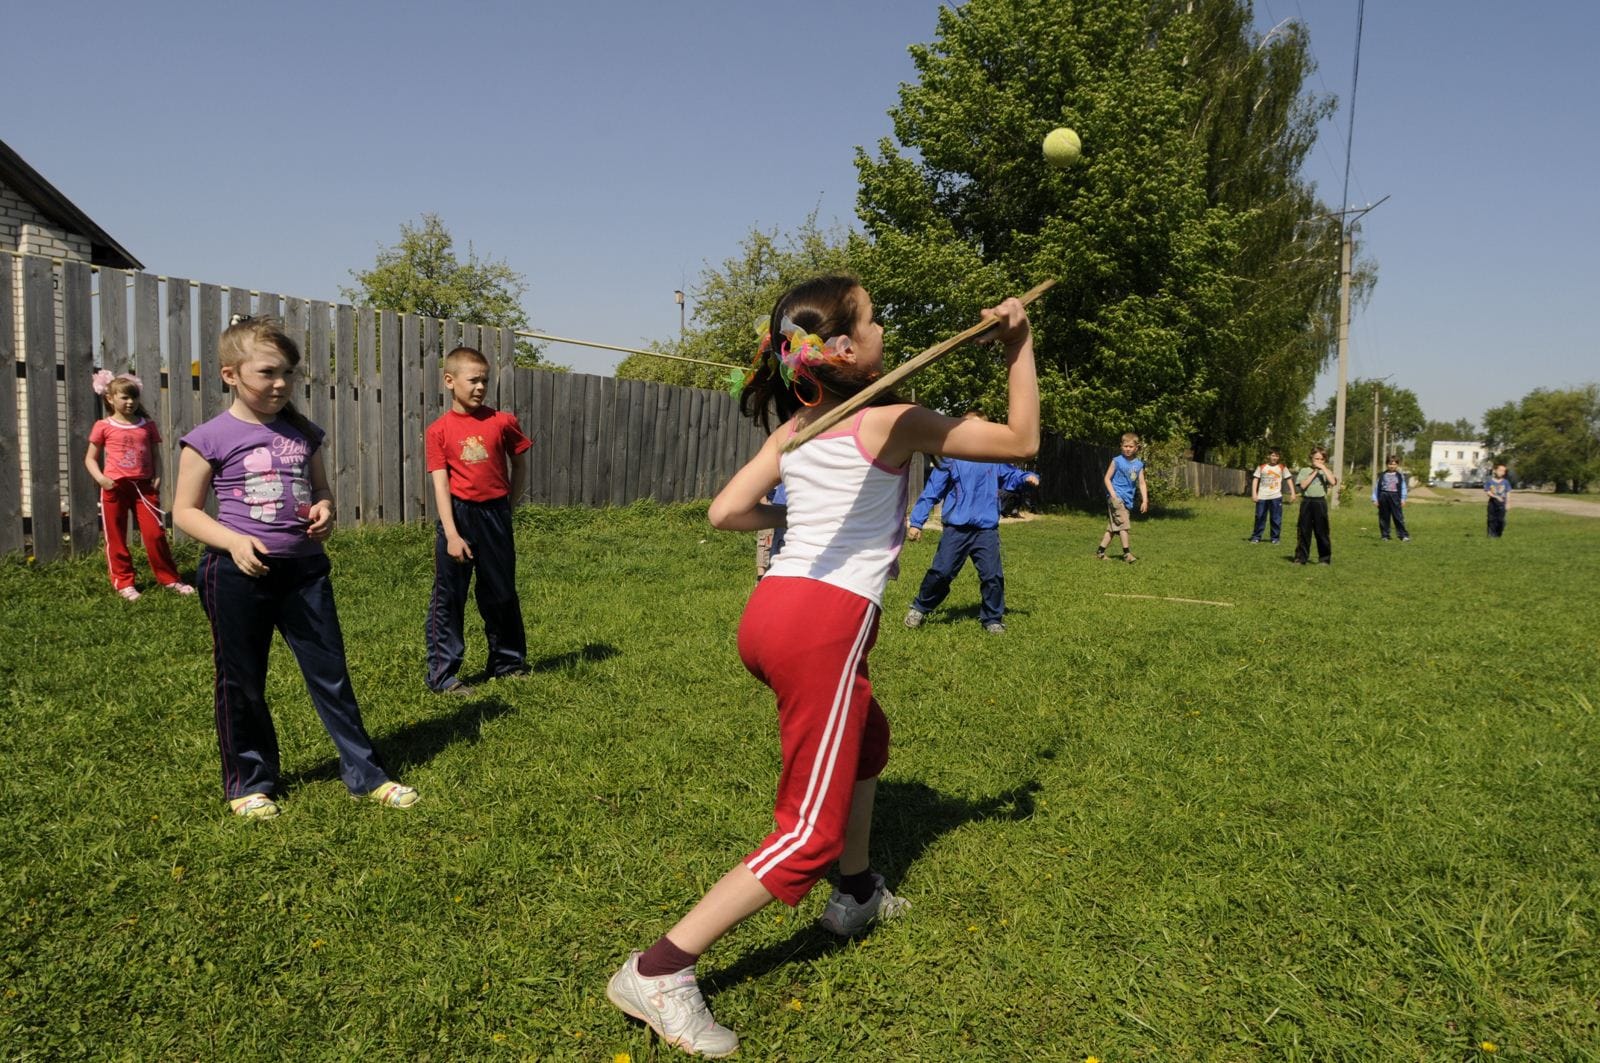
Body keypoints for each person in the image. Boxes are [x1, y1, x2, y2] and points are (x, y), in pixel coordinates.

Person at [606, 275, 1038, 1057]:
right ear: (843, 348)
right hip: (823, 627)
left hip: (769, 614)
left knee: (867, 737)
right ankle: (659, 967)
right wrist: (1018, 343)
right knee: (808, 829)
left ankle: (857, 889)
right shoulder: (893, 418)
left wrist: (795, 514)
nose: (884, 324)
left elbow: (725, 511)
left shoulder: (802, 425)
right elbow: (1020, 443)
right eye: (873, 316)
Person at [173, 315, 416, 820]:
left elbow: (322, 488)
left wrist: (325, 509)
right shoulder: (209, 437)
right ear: (230, 375)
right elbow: (185, 513)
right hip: (237, 575)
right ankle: (249, 782)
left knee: (331, 675)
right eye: (267, 372)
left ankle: (367, 773)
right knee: (242, 681)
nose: (280, 383)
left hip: (305, 573)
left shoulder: (303, 432)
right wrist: (235, 542)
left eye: (288, 373)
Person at [424, 346, 532, 693]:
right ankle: (444, 675)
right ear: (449, 381)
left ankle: (508, 663)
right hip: (459, 516)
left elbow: (520, 465)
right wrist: (453, 535)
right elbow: (441, 485)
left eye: (485, 380)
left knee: (501, 593)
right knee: (449, 598)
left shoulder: (503, 421)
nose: (480, 387)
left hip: (495, 515)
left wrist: (508, 508)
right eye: (473, 380)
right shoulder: (438, 430)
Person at [84, 370, 193, 599]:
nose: (130, 402)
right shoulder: (103, 426)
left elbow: (156, 455)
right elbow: (90, 458)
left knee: (155, 534)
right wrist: (102, 479)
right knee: (116, 536)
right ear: (110, 398)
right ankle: (124, 582)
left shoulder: (147, 426)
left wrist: (159, 475)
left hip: (143, 489)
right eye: (124, 397)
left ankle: (169, 579)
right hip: (115, 488)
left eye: (133, 397)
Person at [903, 413, 1009, 633]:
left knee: (992, 575)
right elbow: (932, 492)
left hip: (985, 530)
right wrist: (917, 522)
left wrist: (1026, 478)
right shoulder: (951, 458)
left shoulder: (994, 457)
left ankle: (992, 619)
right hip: (956, 529)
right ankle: (920, 607)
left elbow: (1011, 474)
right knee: (941, 572)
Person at [1096, 433, 1148, 562]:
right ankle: (1127, 554)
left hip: (1128, 499)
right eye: (1125, 446)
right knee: (1124, 525)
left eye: (1131, 446)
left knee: (1113, 528)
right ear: (1121, 446)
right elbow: (1107, 478)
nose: (1128, 449)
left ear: (1136, 448)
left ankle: (1100, 552)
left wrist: (1145, 500)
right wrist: (1113, 494)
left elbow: (1141, 483)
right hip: (1116, 498)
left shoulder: (1139, 465)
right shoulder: (1117, 461)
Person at [1292, 446, 1339, 564]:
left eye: (1321, 459)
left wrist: (1323, 468)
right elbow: (1303, 486)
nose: (1318, 461)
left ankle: (1324, 558)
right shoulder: (1304, 470)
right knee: (1304, 531)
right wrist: (1315, 472)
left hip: (1320, 502)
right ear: (1311, 458)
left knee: (1322, 531)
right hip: (1307, 502)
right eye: (1316, 459)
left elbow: (1333, 482)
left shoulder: (1326, 471)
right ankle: (1301, 558)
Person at [1248, 447, 1296, 544]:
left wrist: (1293, 493)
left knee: (1276, 518)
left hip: (1276, 497)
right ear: (1268, 456)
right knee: (1260, 517)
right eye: (1273, 455)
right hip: (1262, 497)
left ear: (1279, 457)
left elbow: (1289, 479)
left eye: (1277, 456)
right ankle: (1256, 537)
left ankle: (1275, 538)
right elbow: (1255, 479)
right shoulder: (1261, 467)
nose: (1275, 457)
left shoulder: (1282, 467)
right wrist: (1254, 493)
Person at [1371, 454, 1410, 541]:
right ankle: (1385, 535)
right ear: (1386, 464)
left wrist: (1403, 499)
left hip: (1395, 496)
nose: (1392, 466)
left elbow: (1403, 487)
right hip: (1384, 496)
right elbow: (1377, 487)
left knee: (1398, 517)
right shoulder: (1382, 475)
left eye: (1394, 464)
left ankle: (1403, 535)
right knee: (1384, 517)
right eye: (1390, 464)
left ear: (1397, 465)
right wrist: (1375, 499)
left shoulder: (1400, 476)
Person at [754, 483, 787, 579]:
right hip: (770, 503)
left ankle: (776, 572)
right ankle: (761, 575)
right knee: (765, 539)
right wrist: (763, 500)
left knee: (780, 540)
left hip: (782, 502)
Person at [1484, 463, 1511, 538]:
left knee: (1501, 520)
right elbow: (1488, 492)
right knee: (1491, 519)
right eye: (1500, 470)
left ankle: (1498, 533)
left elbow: (1508, 492)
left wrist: (1508, 503)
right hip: (1492, 503)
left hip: (1502, 504)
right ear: (1495, 471)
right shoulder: (1489, 481)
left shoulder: (1506, 482)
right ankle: (1491, 535)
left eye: (1503, 471)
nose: (1501, 472)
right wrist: (1496, 497)